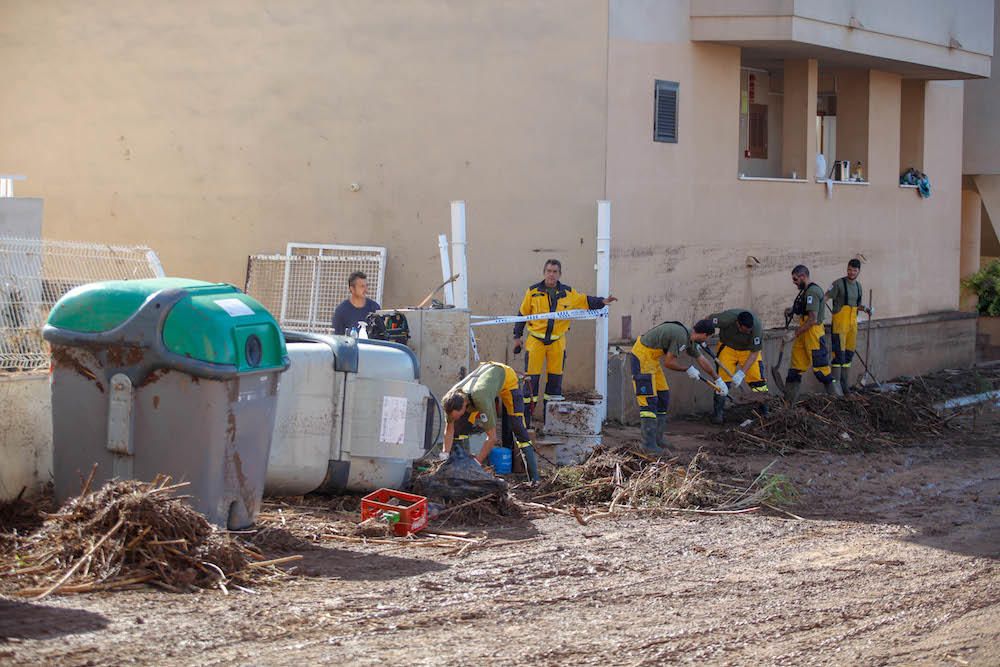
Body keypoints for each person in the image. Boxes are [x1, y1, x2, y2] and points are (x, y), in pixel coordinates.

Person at [512, 259, 616, 426]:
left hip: (557, 344)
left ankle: (550, 424)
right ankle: (526, 424)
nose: (551, 274)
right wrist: (517, 337)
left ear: (559, 274)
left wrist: (602, 301)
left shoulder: (568, 293)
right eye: (548, 271)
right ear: (544, 272)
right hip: (535, 342)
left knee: (554, 385)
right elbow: (522, 314)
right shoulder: (532, 292)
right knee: (530, 384)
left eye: (555, 271)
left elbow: (586, 301)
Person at [629, 319, 728, 453]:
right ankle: (648, 445)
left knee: (663, 396)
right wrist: (687, 369)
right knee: (649, 402)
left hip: (652, 360)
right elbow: (669, 363)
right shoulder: (681, 337)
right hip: (642, 357)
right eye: (708, 337)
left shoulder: (689, 339)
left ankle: (658, 438)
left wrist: (718, 380)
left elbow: (702, 360)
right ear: (704, 334)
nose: (707, 340)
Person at [441, 361, 541, 482]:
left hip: (506, 378)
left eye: (459, 414)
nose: (457, 417)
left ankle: (534, 479)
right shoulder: (450, 399)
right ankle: (459, 468)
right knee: (459, 427)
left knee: (518, 426)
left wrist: (476, 463)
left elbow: (492, 438)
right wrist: (444, 455)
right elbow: (449, 429)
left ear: (464, 405)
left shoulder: (482, 399)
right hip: (484, 374)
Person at [783, 265, 839, 402]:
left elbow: (812, 319)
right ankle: (788, 404)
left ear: (803, 276)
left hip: (812, 333)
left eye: (795, 279)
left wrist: (794, 334)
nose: (794, 282)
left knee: (821, 369)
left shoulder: (812, 292)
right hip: (804, 331)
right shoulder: (805, 291)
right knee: (795, 369)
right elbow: (805, 309)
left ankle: (837, 400)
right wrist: (792, 310)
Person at [702, 309, 768, 424]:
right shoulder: (726, 318)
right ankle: (718, 414)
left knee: (757, 380)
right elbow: (706, 321)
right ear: (738, 324)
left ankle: (764, 413)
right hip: (728, 348)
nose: (748, 332)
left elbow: (754, 353)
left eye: (749, 330)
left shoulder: (756, 327)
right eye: (745, 330)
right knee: (721, 381)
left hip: (748, 351)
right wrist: (702, 338)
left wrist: (742, 373)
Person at [826, 259, 872, 395]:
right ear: (847, 269)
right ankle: (835, 387)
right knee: (838, 355)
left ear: (858, 271)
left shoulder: (858, 286)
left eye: (854, 270)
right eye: (849, 269)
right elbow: (825, 297)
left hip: (852, 325)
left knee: (848, 355)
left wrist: (866, 309)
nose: (851, 272)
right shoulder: (838, 284)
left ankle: (844, 385)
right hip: (840, 325)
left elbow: (857, 305)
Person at [332, 271, 380, 335]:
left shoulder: (374, 308)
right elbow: (338, 336)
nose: (366, 290)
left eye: (366, 286)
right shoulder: (341, 311)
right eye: (362, 286)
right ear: (352, 289)